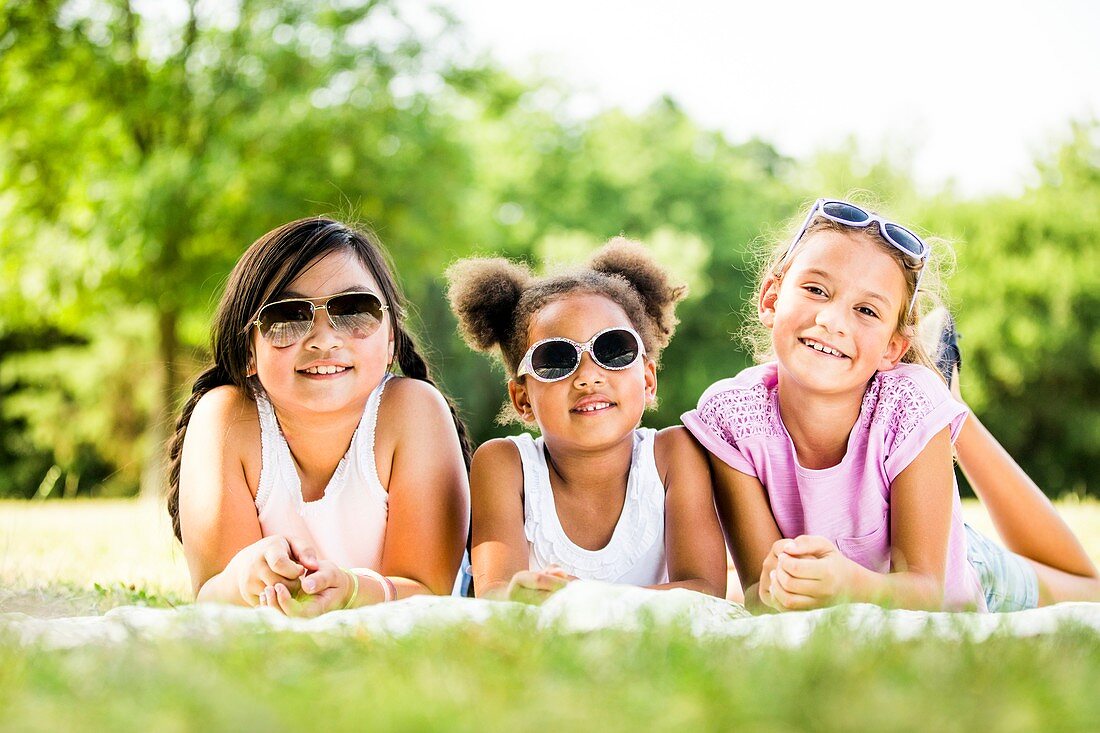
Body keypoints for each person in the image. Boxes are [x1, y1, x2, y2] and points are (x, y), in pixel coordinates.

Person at [682, 198, 1100, 613]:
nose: (833, 320)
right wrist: (781, 585)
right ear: (771, 299)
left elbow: (929, 590)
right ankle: (945, 396)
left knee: (1089, 591)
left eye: (866, 310)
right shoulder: (731, 416)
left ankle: (949, 400)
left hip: (964, 567)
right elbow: (762, 590)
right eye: (816, 290)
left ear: (893, 348)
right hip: (878, 538)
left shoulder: (906, 404)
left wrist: (849, 584)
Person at [166, 217, 471, 616]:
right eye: (288, 316)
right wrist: (244, 577)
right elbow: (212, 597)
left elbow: (430, 592)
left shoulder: (413, 411)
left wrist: (350, 590)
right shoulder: (225, 419)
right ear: (247, 352)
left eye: (354, 310)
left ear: (391, 338)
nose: (324, 339)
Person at [446, 238, 726, 603]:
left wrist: (585, 599)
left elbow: (705, 591)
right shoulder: (504, 465)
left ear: (647, 380)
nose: (588, 377)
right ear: (522, 399)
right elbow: (497, 596)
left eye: (613, 350)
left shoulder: (673, 455)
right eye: (555, 359)